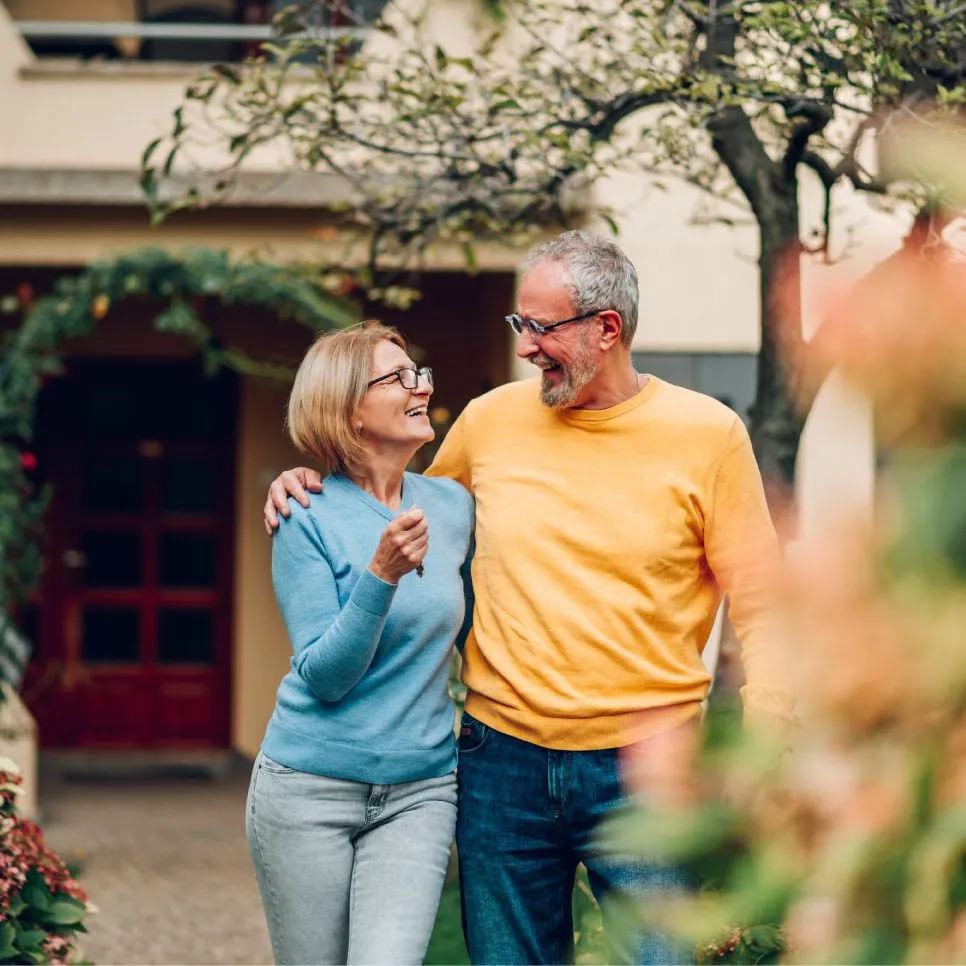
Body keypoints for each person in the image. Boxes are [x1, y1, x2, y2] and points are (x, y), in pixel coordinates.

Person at [263, 231, 793, 965]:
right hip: (499, 763)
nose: (525, 348)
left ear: (606, 329)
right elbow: (390, 501)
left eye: (540, 328)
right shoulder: (489, 422)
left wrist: (762, 744)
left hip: (647, 767)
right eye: (521, 325)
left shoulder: (708, 435)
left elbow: (764, 600)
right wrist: (305, 480)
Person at [247, 320, 474, 966]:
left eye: (420, 374)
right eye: (399, 379)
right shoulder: (303, 516)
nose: (421, 388)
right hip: (307, 788)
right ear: (349, 409)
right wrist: (381, 576)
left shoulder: (454, 508)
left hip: (420, 791)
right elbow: (325, 675)